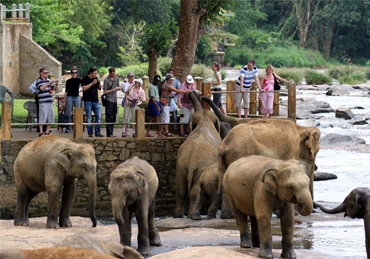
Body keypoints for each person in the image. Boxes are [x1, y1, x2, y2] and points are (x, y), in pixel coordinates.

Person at [81, 67, 104, 137]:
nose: (96, 75)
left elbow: (99, 88)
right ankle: (90, 132)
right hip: (88, 101)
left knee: (98, 116)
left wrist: (99, 83)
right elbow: (84, 88)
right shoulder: (85, 79)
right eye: (95, 73)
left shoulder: (96, 79)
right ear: (90, 73)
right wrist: (92, 83)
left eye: (96, 73)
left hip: (96, 101)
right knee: (89, 117)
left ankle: (97, 132)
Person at [36, 67, 58, 137]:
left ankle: (47, 131)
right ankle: (41, 132)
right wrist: (49, 82)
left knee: (50, 117)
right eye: (45, 73)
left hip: (49, 101)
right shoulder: (38, 81)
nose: (46, 74)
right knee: (42, 116)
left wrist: (56, 84)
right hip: (43, 102)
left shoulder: (48, 80)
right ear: (41, 73)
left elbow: (53, 89)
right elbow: (41, 88)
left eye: (47, 73)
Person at [103, 67, 122, 138]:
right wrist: (113, 89)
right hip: (109, 100)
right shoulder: (106, 80)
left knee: (114, 115)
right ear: (110, 73)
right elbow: (105, 91)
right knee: (109, 116)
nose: (114, 75)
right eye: (112, 74)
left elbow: (118, 86)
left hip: (115, 99)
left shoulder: (116, 78)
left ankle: (112, 131)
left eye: (115, 73)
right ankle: (109, 133)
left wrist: (119, 88)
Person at [63, 66, 81, 133]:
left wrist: (81, 91)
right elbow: (66, 91)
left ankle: (77, 127)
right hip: (69, 97)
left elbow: (84, 85)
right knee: (68, 113)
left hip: (76, 97)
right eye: (73, 73)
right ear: (71, 73)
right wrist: (64, 101)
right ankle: (68, 127)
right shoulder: (68, 81)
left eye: (75, 73)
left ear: (77, 73)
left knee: (77, 112)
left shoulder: (79, 80)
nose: (74, 74)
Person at [121, 72, 135, 137]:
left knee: (133, 117)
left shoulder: (135, 83)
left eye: (133, 77)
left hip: (134, 101)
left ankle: (133, 131)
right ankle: (124, 130)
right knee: (126, 116)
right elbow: (126, 92)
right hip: (128, 100)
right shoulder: (126, 84)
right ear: (129, 78)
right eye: (131, 77)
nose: (133, 79)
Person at [167, 68, 181, 133]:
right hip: (166, 100)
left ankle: (175, 129)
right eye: (169, 73)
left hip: (173, 100)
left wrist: (173, 94)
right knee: (165, 116)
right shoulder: (165, 82)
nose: (170, 74)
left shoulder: (177, 82)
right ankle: (165, 130)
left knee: (174, 116)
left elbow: (178, 91)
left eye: (171, 73)